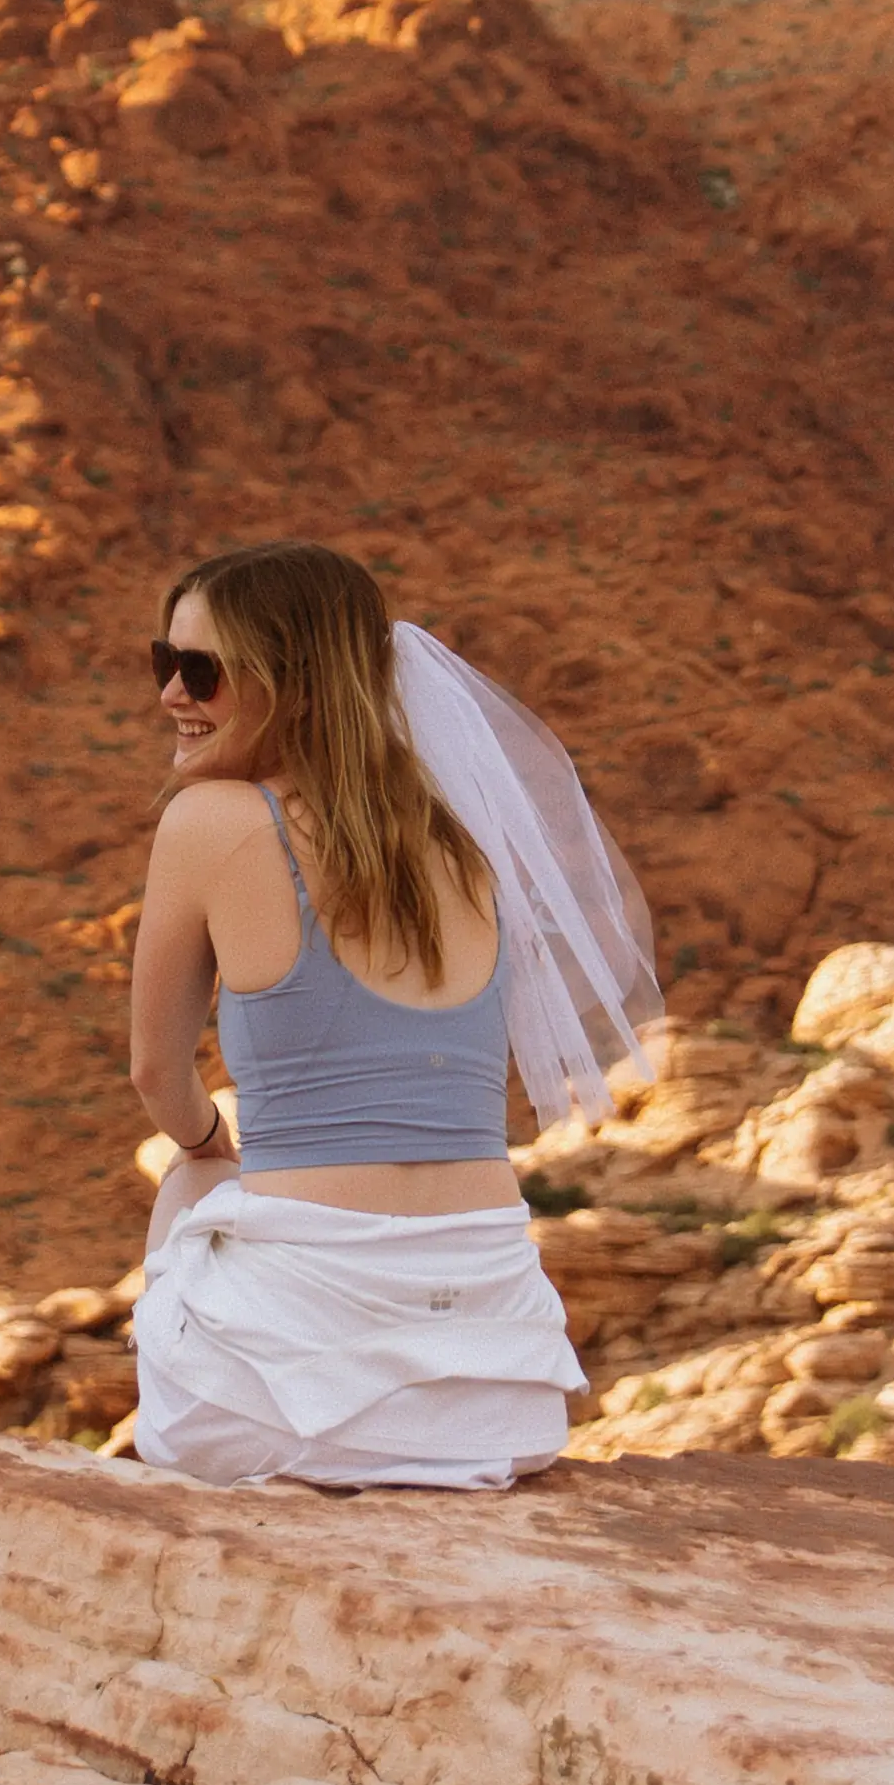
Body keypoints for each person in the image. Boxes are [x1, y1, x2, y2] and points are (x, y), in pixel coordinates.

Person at [120, 540, 658, 1488]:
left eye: (199, 671)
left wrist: (210, 1142)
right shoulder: (465, 844)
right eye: (164, 663)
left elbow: (157, 1075)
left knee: (191, 1181)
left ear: (297, 682)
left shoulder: (210, 822)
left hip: (282, 1414)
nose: (170, 694)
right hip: (498, 1400)